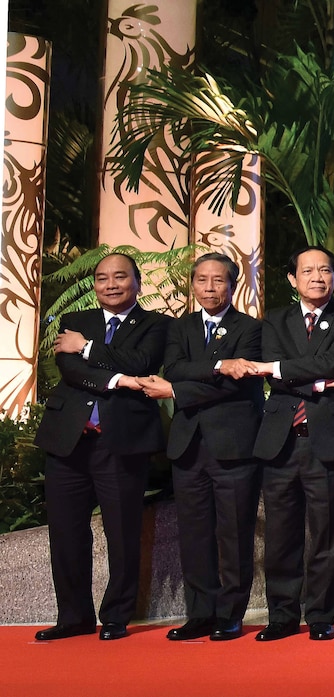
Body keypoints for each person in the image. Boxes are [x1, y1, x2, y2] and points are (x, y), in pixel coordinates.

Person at [34, 252, 167, 641]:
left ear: (137, 283)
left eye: (119, 277)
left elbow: (141, 359)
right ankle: (73, 617)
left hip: (122, 442)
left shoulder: (158, 325)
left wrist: (88, 348)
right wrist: (120, 381)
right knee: (65, 533)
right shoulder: (73, 321)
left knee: (122, 533)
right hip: (68, 440)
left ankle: (115, 617)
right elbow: (71, 370)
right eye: (101, 278)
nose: (109, 284)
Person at [236, 245, 334, 642]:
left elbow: (332, 362)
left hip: (327, 439)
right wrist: (310, 377)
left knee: (327, 534)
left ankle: (322, 616)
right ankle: (282, 615)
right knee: (280, 534)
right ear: (293, 279)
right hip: (281, 439)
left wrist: (282, 370)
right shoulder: (274, 321)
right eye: (307, 271)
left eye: (325, 270)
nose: (317, 277)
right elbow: (279, 375)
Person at [146, 252, 265, 642]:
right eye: (202, 280)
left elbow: (238, 382)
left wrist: (180, 390)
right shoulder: (179, 329)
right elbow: (174, 369)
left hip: (234, 446)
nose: (209, 287)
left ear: (232, 285)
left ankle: (230, 615)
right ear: (192, 284)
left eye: (218, 280)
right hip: (188, 447)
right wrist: (218, 366)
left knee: (233, 535)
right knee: (194, 535)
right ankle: (199, 613)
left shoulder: (251, 329)